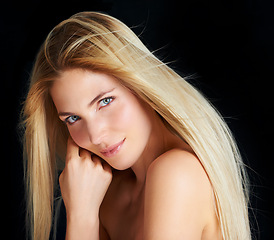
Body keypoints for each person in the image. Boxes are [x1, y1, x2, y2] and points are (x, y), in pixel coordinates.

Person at [21, 11, 251, 240]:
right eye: (73, 118)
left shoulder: (177, 173)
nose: (96, 135)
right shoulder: (108, 193)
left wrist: (82, 217)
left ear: (139, 85)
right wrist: (85, 210)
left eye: (105, 101)